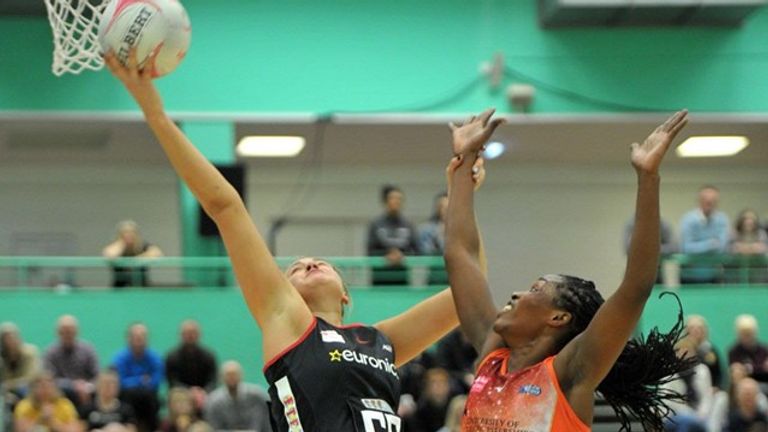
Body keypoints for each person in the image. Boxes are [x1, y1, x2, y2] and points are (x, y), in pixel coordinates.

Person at [104, 49, 487, 431]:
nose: (308, 262)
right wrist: (155, 113)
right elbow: (225, 206)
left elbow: (470, 289)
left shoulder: (379, 341)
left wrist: (462, 182)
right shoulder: (287, 320)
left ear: (345, 294)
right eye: (295, 268)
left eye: (321, 263)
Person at [444, 109, 695, 431]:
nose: (517, 294)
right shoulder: (491, 361)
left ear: (558, 318)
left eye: (535, 289)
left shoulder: (570, 372)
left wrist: (648, 178)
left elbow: (635, 290)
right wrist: (465, 160)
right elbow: (460, 254)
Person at [111, 323, 162, 432]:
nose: (139, 341)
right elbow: (119, 382)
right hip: (126, 397)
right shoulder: (120, 358)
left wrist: (133, 381)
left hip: (148, 398)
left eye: (142, 338)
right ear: (128, 339)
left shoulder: (155, 357)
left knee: (150, 397)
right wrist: (140, 379)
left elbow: (156, 382)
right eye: (136, 338)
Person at [367, 184, 421, 286]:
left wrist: (402, 256)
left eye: (399, 199)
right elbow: (370, 251)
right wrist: (386, 255)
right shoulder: (376, 224)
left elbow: (417, 251)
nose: (396, 201)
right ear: (385, 201)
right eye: (393, 198)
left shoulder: (408, 224)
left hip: (402, 277)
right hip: (380, 278)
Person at [43, 315, 99, 409]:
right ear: (58, 333)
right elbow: (49, 379)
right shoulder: (50, 352)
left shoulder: (88, 349)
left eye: (70, 331)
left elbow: (97, 375)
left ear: (77, 332)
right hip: (61, 392)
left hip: (87, 391)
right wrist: (73, 385)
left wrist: (87, 387)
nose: (68, 334)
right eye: (64, 332)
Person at [679, 185, 730, 283]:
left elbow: (722, 247)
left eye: (713, 201)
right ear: (699, 201)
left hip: (715, 276)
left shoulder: (723, 219)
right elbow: (687, 248)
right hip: (689, 277)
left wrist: (700, 246)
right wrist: (710, 244)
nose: (709, 203)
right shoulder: (688, 219)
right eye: (706, 200)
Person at [203, 361, 271, 432]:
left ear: (241, 375)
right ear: (221, 377)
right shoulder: (213, 402)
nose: (231, 378)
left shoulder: (258, 396)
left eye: (234, 374)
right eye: (228, 375)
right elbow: (213, 427)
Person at [102, 220, 163, 288]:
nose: (129, 235)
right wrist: (121, 244)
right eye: (125, 233)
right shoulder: (116, 247)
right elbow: (109, 255)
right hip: (120, 288)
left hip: (142, 287)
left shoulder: (142, 246)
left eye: (132, 232)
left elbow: (157, 252)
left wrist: (136, 260)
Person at [13, 372, 80, 432]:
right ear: (33, 389)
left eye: (48, 386)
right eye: (41, 386)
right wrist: (41, 419)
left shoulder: (64, 404)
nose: (45, 390)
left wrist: (52, 422)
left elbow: (74, 429)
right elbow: (20, 430)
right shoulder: (24, 405)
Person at [164, 320, 217, 396]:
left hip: (204, 397)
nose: (190, 336)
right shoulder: (171, 357)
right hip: (181, 398)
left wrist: (203, 393)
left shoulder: (209, 356)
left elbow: (212, 381)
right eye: (187, 333)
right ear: (180, 335)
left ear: (199, 335)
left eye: (193, 333)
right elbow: (172, 382)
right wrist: (189, 392)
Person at [1, 322, 41, 401]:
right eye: (6, 338)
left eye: (12, 337)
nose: (10, 341)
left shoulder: (31, 352)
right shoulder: (1, 358)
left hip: (27, 389)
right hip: (5, 392)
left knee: (24, 390)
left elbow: (32, 377)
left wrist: (10, 385)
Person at [728, 314, 768, 386]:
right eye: (743, 334)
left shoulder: (763, 350)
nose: (746, 337)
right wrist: (759, 367)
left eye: (749, 334)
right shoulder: (733, 351)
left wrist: (748, 368)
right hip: (742, 387)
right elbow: (736, 373)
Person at [419, 192, 450, 285]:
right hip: (435, 276)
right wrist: (439, 236)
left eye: (448, 207)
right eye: (443, 207)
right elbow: (425, 252)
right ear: (437, 209)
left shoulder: (461, 230)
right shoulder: (427, 229)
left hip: (456, 278)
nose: (445, 210)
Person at [686, 314, 723, 389]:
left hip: (708, 389)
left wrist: (716, 387)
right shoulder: (681, 349)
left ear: (704, 331)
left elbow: (717, 373)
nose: (695, 330)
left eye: (699, 328)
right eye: (692, 328)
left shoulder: (710, 349)